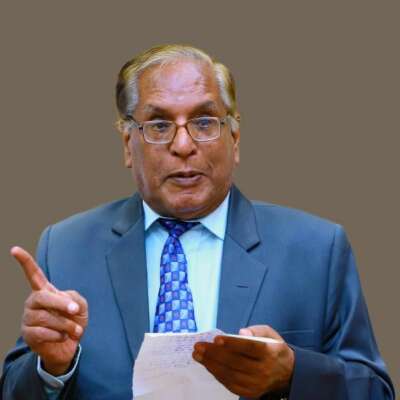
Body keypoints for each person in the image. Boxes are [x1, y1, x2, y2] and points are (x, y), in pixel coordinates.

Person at [0, 44, 395, 400]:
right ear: (127, 145)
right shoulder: (66, 248)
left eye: (204, 122)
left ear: (234, 139)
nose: (183, 144)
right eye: (159, 125)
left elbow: (375, 391)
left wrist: (293, 374)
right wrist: (52, 370)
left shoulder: (317, 250)